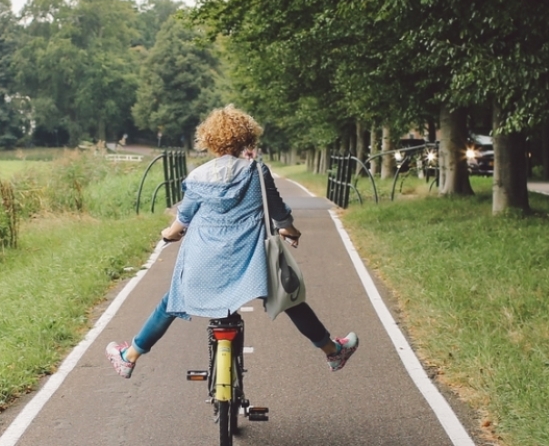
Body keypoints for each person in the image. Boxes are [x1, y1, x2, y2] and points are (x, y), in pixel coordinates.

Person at [106, 106, 359, 379]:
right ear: (246, 138)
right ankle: (332, 351)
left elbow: (184, 217)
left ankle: (130, 356)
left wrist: (170, 233)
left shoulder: (198, 177)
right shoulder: (256, 172)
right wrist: (290, 231)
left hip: (203, 260)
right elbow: (278, 212)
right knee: (290, 300)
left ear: (208, 139)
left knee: (172, 301)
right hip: (251, 264)